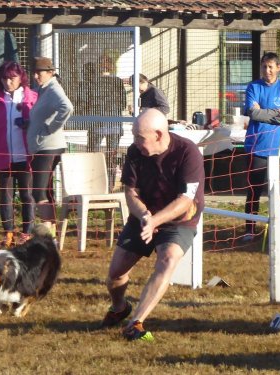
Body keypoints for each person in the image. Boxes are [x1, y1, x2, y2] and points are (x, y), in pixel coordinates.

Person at [100, 108, 204, 341]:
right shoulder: (135, 152)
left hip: (179, 221)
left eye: (140, 137)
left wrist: (156, 220)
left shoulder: (188, 153)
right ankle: (119, 308)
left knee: (167, 260)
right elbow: (130, 192)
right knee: (116, 274)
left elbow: (185, 200)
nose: (135, 142)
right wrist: (145, 215)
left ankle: (136, 322)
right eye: (134, 136)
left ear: (158, 134)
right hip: (144, 217)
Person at [243, 52, 280, 239]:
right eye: (264, 66)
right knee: (254, 190)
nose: (267, 70)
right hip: (256, 146)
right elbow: (252, 112)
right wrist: (276, 112)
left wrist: (265, 113)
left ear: (278, 68)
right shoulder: (253, 87)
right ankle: (249, 229)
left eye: (270, 66)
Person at [0, 61, 37, 247]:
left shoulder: (32, 98)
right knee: (5, 196)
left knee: (27, 195)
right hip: (2, 156)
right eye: (4, 78)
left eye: (12, 78)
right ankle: (8, 233)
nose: (8, 82)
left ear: (20, 78)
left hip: (26, 157)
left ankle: (27, 233)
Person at [28, 57, 73, 240]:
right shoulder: (43, 89)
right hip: (43, 147)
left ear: (51, 72)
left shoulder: (53, 89)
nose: (36, 75)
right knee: (45, 190)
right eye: (34, 72)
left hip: (49, 147)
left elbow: (67, 107)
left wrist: (51, 127)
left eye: (40, 72)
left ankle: (47, 234)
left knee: (39, 190)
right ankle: (51, 233)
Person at [85, 57, 127, 191]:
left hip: (97, 124)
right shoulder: (117, 81)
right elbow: (123, 103)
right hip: (114, 124)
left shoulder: (93, 82)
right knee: (111, 157)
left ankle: (94, 187)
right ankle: (109, 187)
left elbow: (87, 102)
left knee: (93, 156)